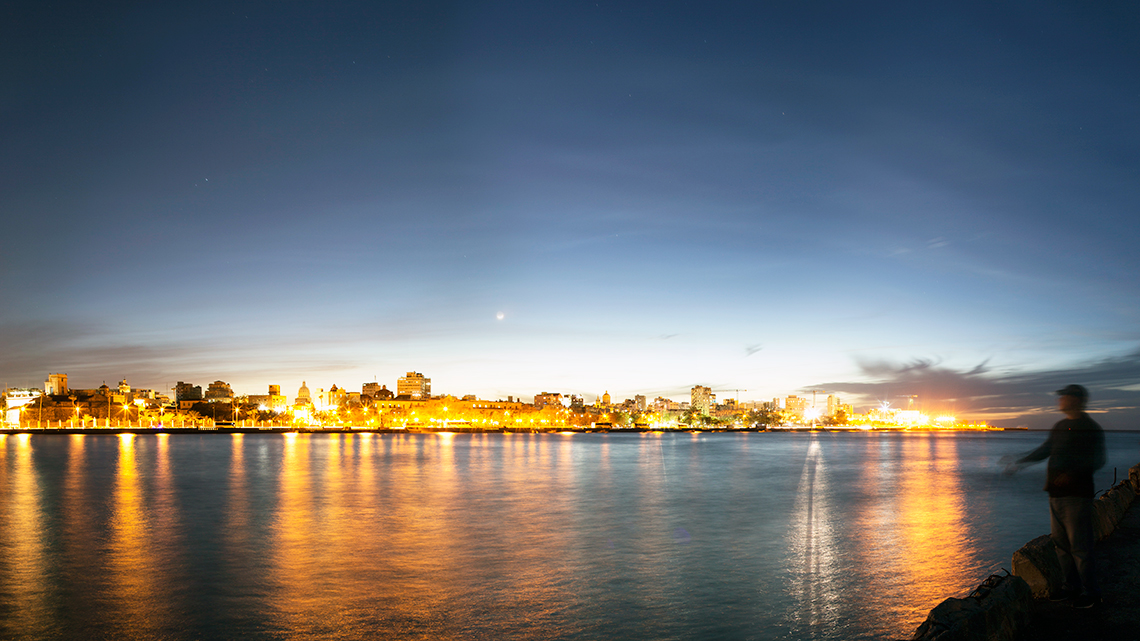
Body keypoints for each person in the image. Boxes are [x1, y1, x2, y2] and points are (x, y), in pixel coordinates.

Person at [1004, 384, 1106, 608]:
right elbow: (1046, 449)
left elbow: (1097, 460)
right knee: (1061, 545)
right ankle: (1071, 587)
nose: (1060, 400)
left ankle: (1091, 593)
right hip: (1056, 494)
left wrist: (1071, 473)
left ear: (1076, 400)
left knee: (1080, 546)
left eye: (1064, 397)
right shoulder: (1061, 426)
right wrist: (1020, 462)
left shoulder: (1089, 428)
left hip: (1077, 495)